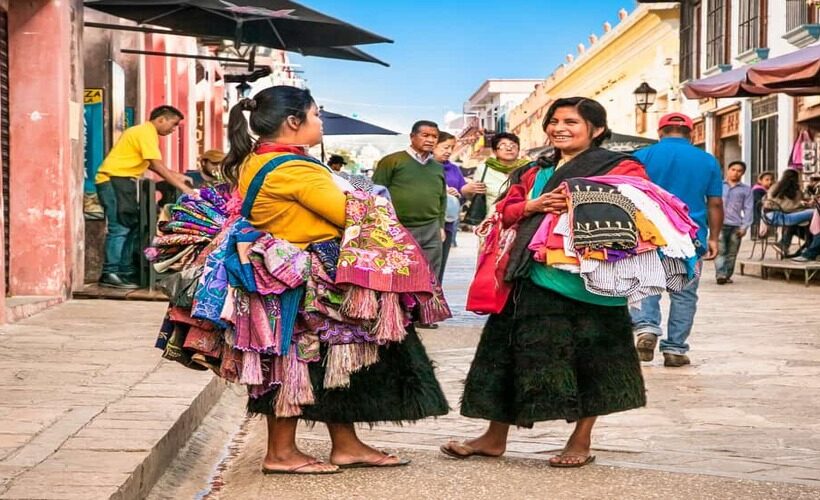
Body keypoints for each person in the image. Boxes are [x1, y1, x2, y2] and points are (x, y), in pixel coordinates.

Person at [222, 86, 448, 474]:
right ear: (294, 122)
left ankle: (346, 445)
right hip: (303, 280)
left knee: (329, 360)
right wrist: (367, 195)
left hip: (287, 276)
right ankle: (280, 453)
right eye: (315, 115)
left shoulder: (259, 160)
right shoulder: (293, 169)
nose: (320, 122)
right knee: (298, 362)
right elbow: (351, 215)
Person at [441, 97, 647, 468]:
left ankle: (580, 439)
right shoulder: (533, 171)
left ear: (596, 129)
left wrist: (578, 202)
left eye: (571, 121)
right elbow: (504, 210)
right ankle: (493, 437)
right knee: (505, 354)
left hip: (592, 280)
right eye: (553, 121)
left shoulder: (623, 167)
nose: (558, 127)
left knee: (593, 359)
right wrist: (532, 207)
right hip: (530, 276)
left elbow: (638, 206)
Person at [629, 112, 724, 367]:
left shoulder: (641, 157)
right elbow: (715, 202)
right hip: (689, 236)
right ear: (690, 133)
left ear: (660, 132)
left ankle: (646, 327)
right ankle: (675, 349)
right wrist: (714, 238)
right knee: (684, 293)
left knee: (645, 284)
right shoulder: (707, 160)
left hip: (647, 233)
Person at [95, 105, 194, 289]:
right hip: (114, 180)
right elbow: (155, 165)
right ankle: (110, 272)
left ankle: (123, 271)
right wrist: (182, 187)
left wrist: (176, 175)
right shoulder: (145, 132)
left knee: (130, 225)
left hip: (124, 181)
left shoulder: (143, 133)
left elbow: (149, 163)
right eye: (173, 124)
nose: (173, 130)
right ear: (161, 119)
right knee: (119, 228)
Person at [373, 121, 446, 329]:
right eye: (425, 135)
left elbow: (442, 198)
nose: (430, 140)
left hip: (431, 227)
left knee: (431, 273)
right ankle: (398, 316)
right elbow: (376, 192)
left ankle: (425, 315)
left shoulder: (437, 167)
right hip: (399, 227)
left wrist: (440, 225)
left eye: (434, 136)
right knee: (399, 272)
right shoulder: (392, 161)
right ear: (412, 136)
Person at [433, 131, 486, 282]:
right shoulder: (424, 167)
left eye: (451, 147)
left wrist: (467, 190)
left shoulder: (454, 169)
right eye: (445, 147)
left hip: (449, 222)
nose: (449, 151)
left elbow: (462, 192)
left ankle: (436, 300)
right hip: (428, 223)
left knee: (439, 266)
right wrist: (442, 190)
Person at [715, 160, 753, 284]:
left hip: (736, 226)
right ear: (728, 170)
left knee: (732, 253)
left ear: (742, 173)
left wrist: (745, 226)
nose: (736, 173)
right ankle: (720, 275)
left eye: (739, 171)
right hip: (719, 224)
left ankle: (727, 275)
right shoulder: (718, 186)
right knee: (720, 251)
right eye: (733, 170)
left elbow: (748, 208)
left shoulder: (746, 190)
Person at [471, 132, 532, 208]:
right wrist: (467, 191)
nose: (509, 148)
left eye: (513, 145)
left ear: (518, 149)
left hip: (523, 215)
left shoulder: (528, 168)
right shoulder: (483, 169)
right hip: (494, 216)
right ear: (494, 151)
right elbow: (474, 195)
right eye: (502, 145)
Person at [763, 169, 816, 254]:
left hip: (768, 216)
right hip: (781, 217)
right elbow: (791, 208)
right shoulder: (794, 190)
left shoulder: (774, 186)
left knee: (794, 223)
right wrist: (805, 205)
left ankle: (784, 244)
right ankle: (810, 241)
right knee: (814, 212)